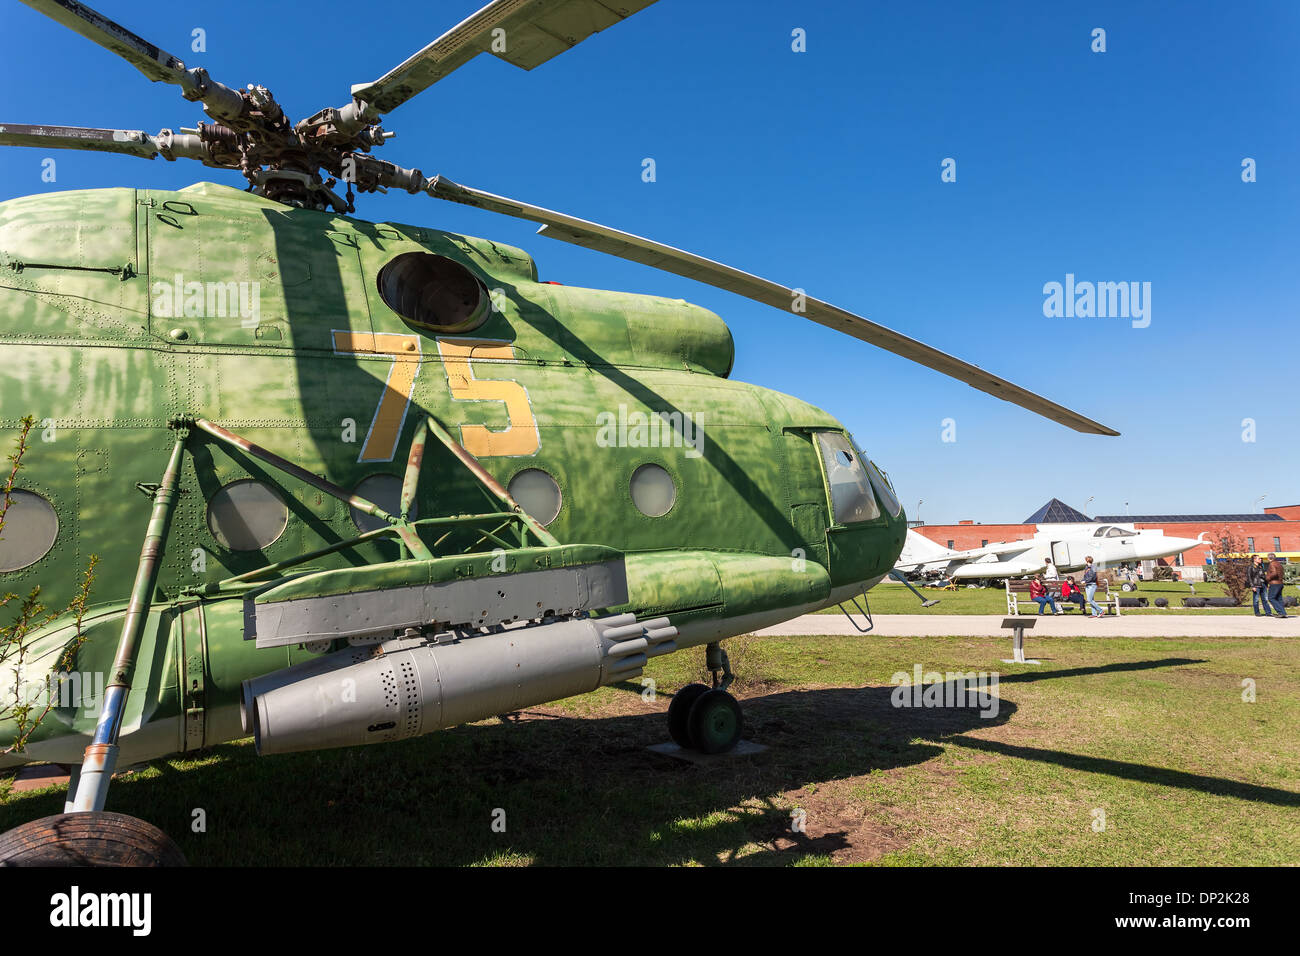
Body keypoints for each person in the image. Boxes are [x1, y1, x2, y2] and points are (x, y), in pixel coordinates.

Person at [1265, 553, 1289, 619]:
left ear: (1269, 558)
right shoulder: (1278, 564)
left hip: (1274, 583)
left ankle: (1281, 612)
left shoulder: (1272, 564)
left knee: (1271, 598)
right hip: (1280, 583)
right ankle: (1283, 613)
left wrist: (1267, 578)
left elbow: (1274, 573)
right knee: (1279, 598)